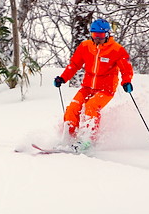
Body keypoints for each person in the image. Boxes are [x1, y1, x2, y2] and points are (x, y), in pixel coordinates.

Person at [53, 18, 134, 150]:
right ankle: (68, 137)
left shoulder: (117, 50)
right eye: (94, 35)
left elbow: (126, 69)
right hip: (87, 87)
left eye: (100, 36)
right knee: (73, 107)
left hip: (105, 89)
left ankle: (87, 140)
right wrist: (62, 78)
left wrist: (126, 82)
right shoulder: (86, 47)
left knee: (91, 107)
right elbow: (74, 65)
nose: (96, 38)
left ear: (107, 35)